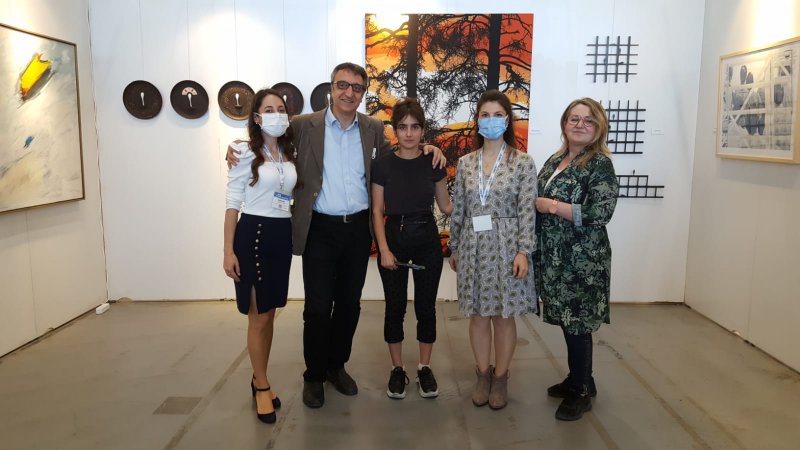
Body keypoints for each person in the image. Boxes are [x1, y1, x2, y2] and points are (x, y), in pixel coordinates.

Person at [227, 62, 445, 408]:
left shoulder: (372, 128)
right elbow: (269, 136)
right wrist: (237, 145)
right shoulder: (304, 125)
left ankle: (336, 366)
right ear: (331, 88)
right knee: (317, 308)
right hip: (319, 229)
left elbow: (399, 156)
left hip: (357, 229)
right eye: (342, 85)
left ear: (363, 93)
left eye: (357, 87)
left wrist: (430, 148)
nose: (349, 92)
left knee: (348, 305)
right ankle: (314, 375)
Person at [448, 89, 538, 410]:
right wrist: (454, 246)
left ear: (507, 120)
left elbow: (527, 210)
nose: (491, 121)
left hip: (507, 247)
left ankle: (501, 377)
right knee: (477, 314)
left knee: (502, 315)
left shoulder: (523, 162)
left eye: (497, 115)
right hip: (473, 245)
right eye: (485, 115)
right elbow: (459, 208)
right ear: (477, 121)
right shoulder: (466, 163)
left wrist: (524, 251)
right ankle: (482, 373)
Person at [534, 97, 618, 421]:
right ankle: (581, 378)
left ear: (599, 128)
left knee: (577, 324)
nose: (580, 125)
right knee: (569, 322)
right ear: (564, 123)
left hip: (582, 261)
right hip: (556, 258)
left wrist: (553, 206)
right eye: (574, 119)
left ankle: (580, 392)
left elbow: (601, 213)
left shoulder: (599, 164)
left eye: (588, 120)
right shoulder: (557, 159)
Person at [370, 97, 452, 400]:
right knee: (395, 307)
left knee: (426, 307)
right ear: (394, 130)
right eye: (402, 127)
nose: (408, 133)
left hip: (427, 239)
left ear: (422, 130)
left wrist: (482, 206)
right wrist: (384, 249)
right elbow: (377, 210)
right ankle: (397, 369)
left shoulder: (433, 161)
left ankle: (424, 367)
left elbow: (446, 206)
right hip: (394, 237)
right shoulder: (382, 164)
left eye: (414, 127)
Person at [223, 89, 296, 424]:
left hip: (281, 236)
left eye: (281, 109)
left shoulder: (289, 151)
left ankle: (258, 376)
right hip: (253, 235)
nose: (276, 114)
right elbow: (232, 203)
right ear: (256, 117)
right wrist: (227, 251)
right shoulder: (243, 151)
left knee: (270, 313)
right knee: (258, 317)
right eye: (268, 109)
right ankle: (262, 385)